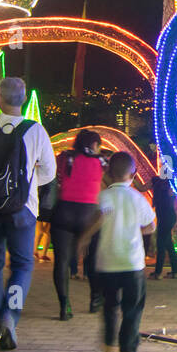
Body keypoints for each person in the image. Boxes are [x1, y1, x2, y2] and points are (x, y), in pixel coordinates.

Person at [0, 77, 56, 349]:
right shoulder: (36, 130)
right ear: (24, 99)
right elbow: (49, 172)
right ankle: (10, 316)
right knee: (22, 265)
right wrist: (25, 184)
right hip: (24, 210)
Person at [81, 152, 156, 352]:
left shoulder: (104, 197)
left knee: (110, 307)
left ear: (108, 173)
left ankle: (107, 348)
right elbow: (151, 226)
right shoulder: (137, 198)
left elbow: (98, 219)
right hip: (132, 263)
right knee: (132, 310)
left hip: (107, 263)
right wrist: (137, 229)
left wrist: (83, 239)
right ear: (133, 175)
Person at [51, 130, 105, 320]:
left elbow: (55, 177)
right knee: (93, 259)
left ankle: (64, 305)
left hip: (63, 212)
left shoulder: (65, 158)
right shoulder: (102, 161)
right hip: (88, 215)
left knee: (62, 262)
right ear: (94, 145)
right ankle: (95, 298)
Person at [150, 159, 177, 280]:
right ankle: (175, 271)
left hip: (166, 217)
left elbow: (172, 194)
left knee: (161, 243)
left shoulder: (171, 183)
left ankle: (158, 273)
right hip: (165, 215)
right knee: (168, 244)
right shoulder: (157, 180)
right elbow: (142, 187)